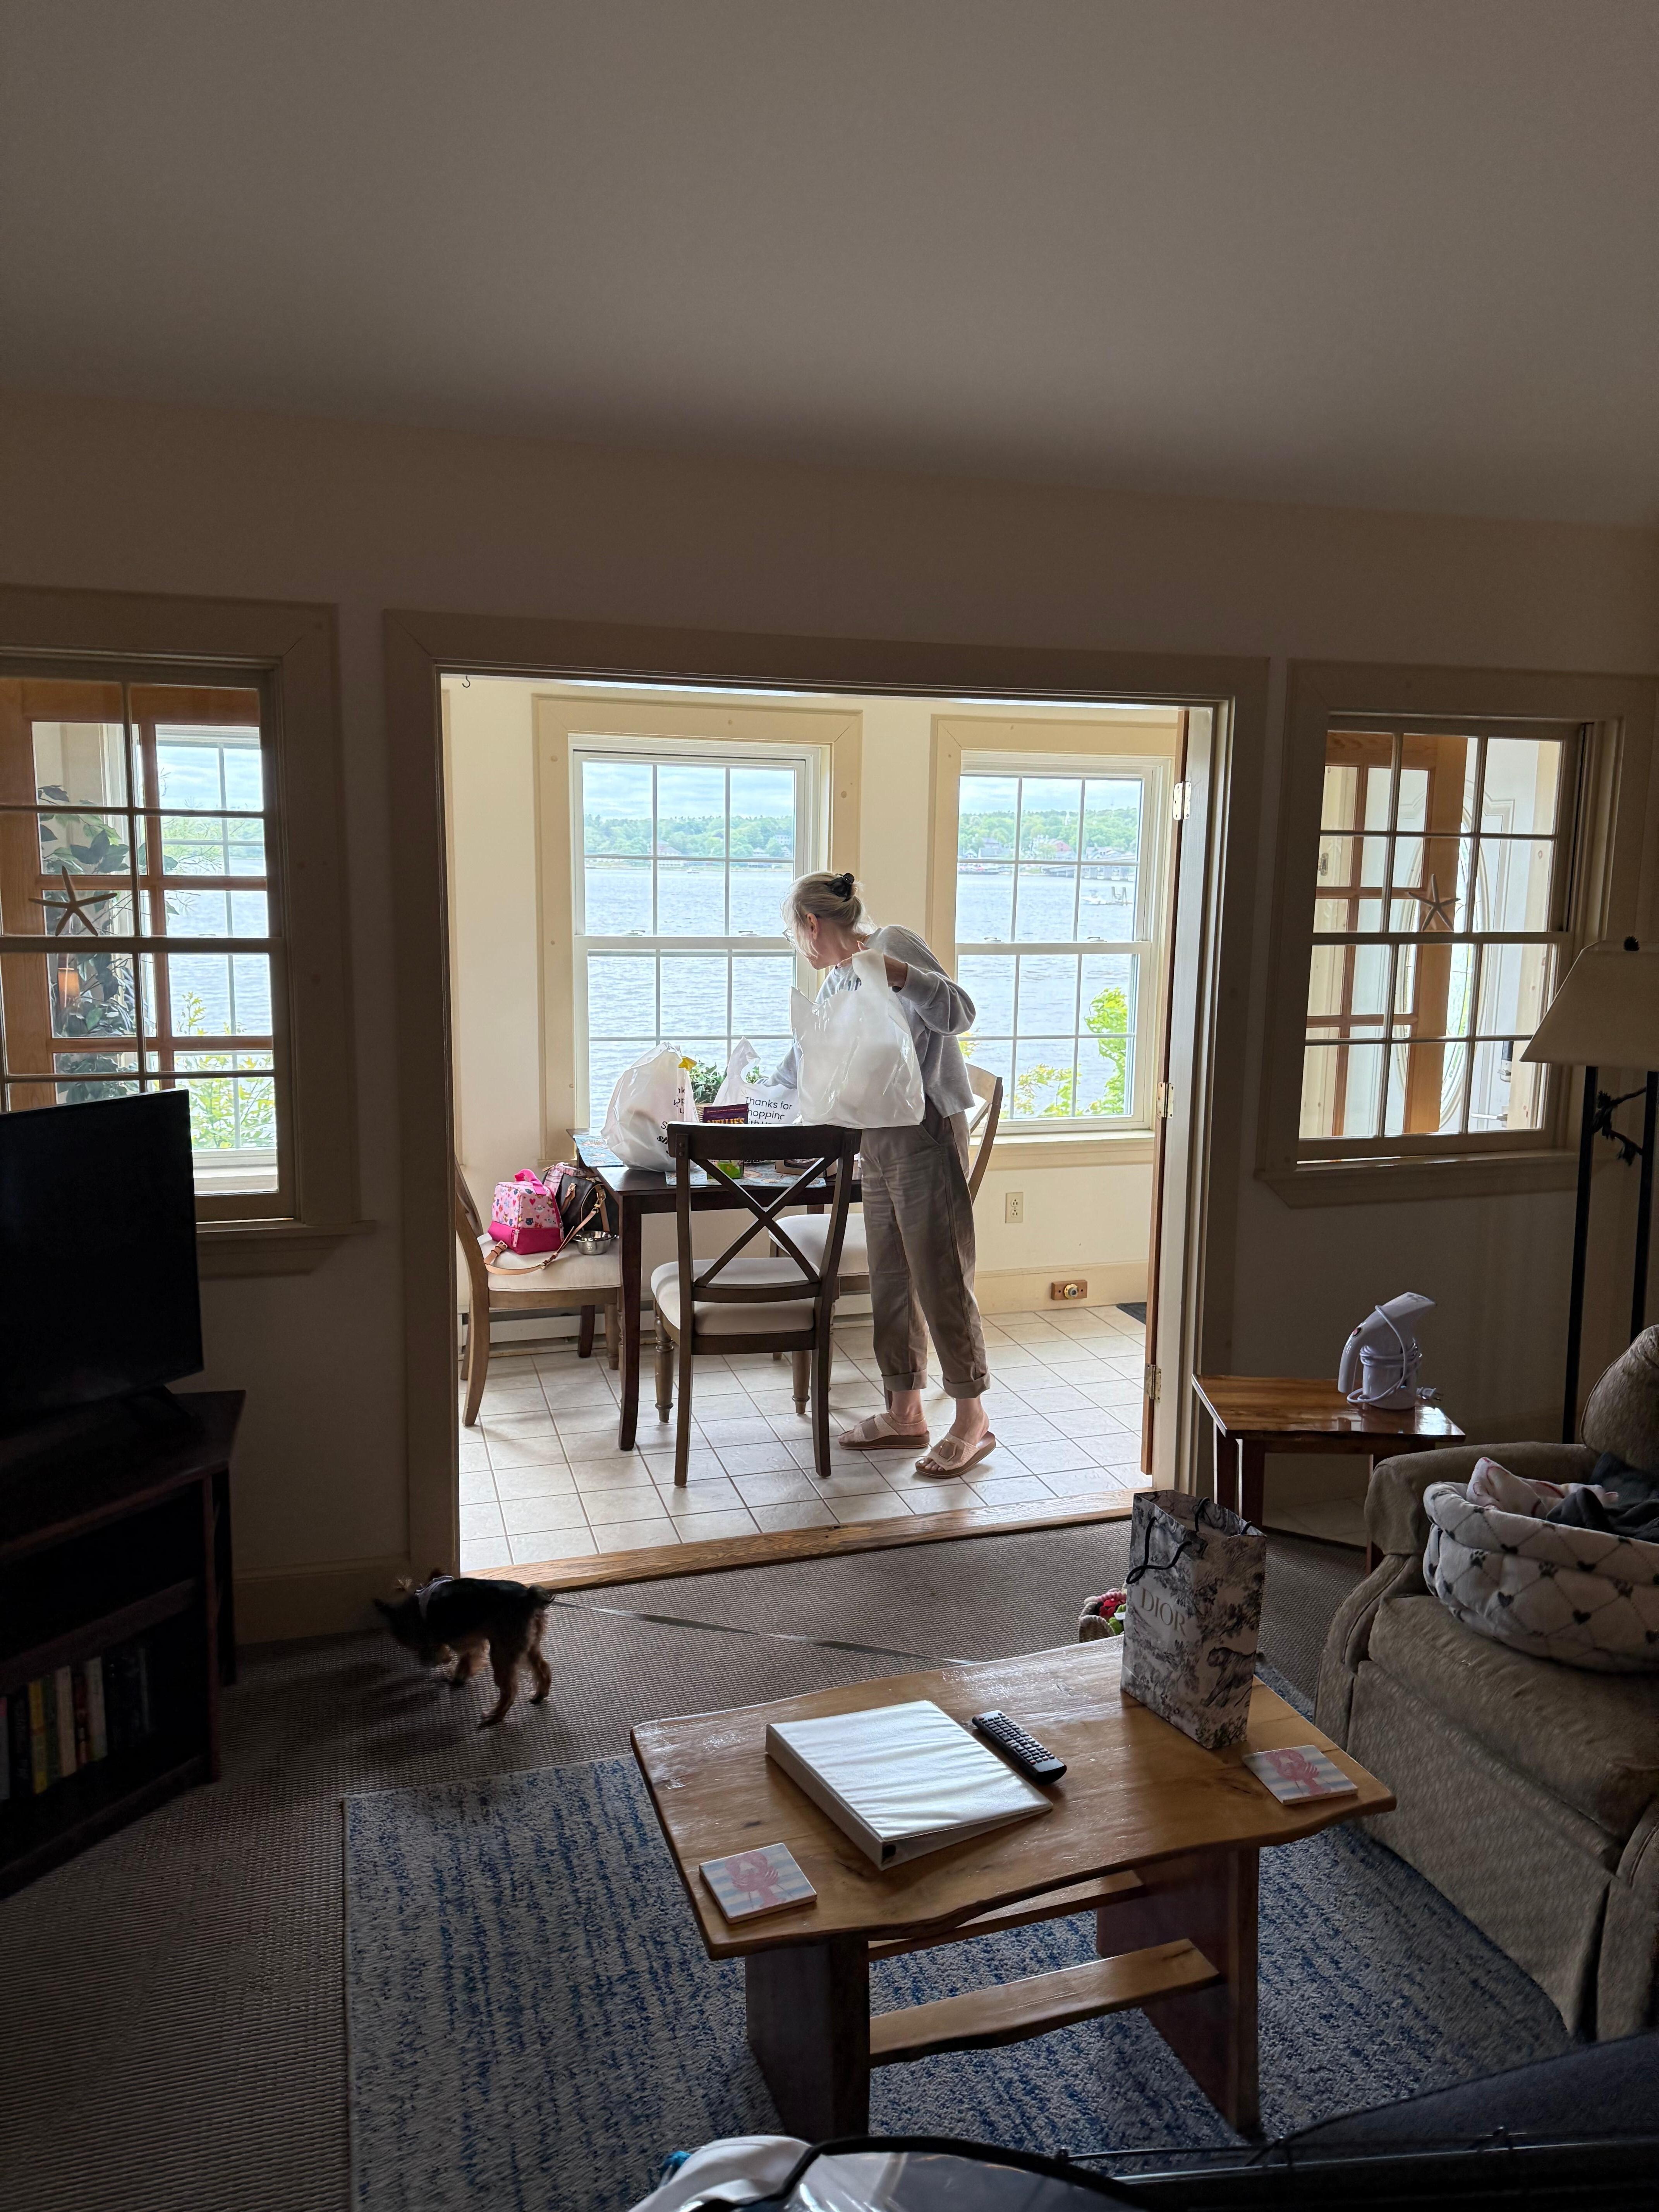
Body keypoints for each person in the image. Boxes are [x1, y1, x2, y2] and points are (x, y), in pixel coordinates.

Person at [773, 869, 996, 1477]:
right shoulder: (837, 981)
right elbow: (807, 1058)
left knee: (939, 1274)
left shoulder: (892, 944)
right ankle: (904, 1413)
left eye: (797, 934)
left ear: (812, 925)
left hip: (925, 1131)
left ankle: (973, 1420)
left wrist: (901, 975)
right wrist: (759, 1105)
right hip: (875, 1138)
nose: (801, 947)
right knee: (892, 1276)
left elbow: (960, 1011)